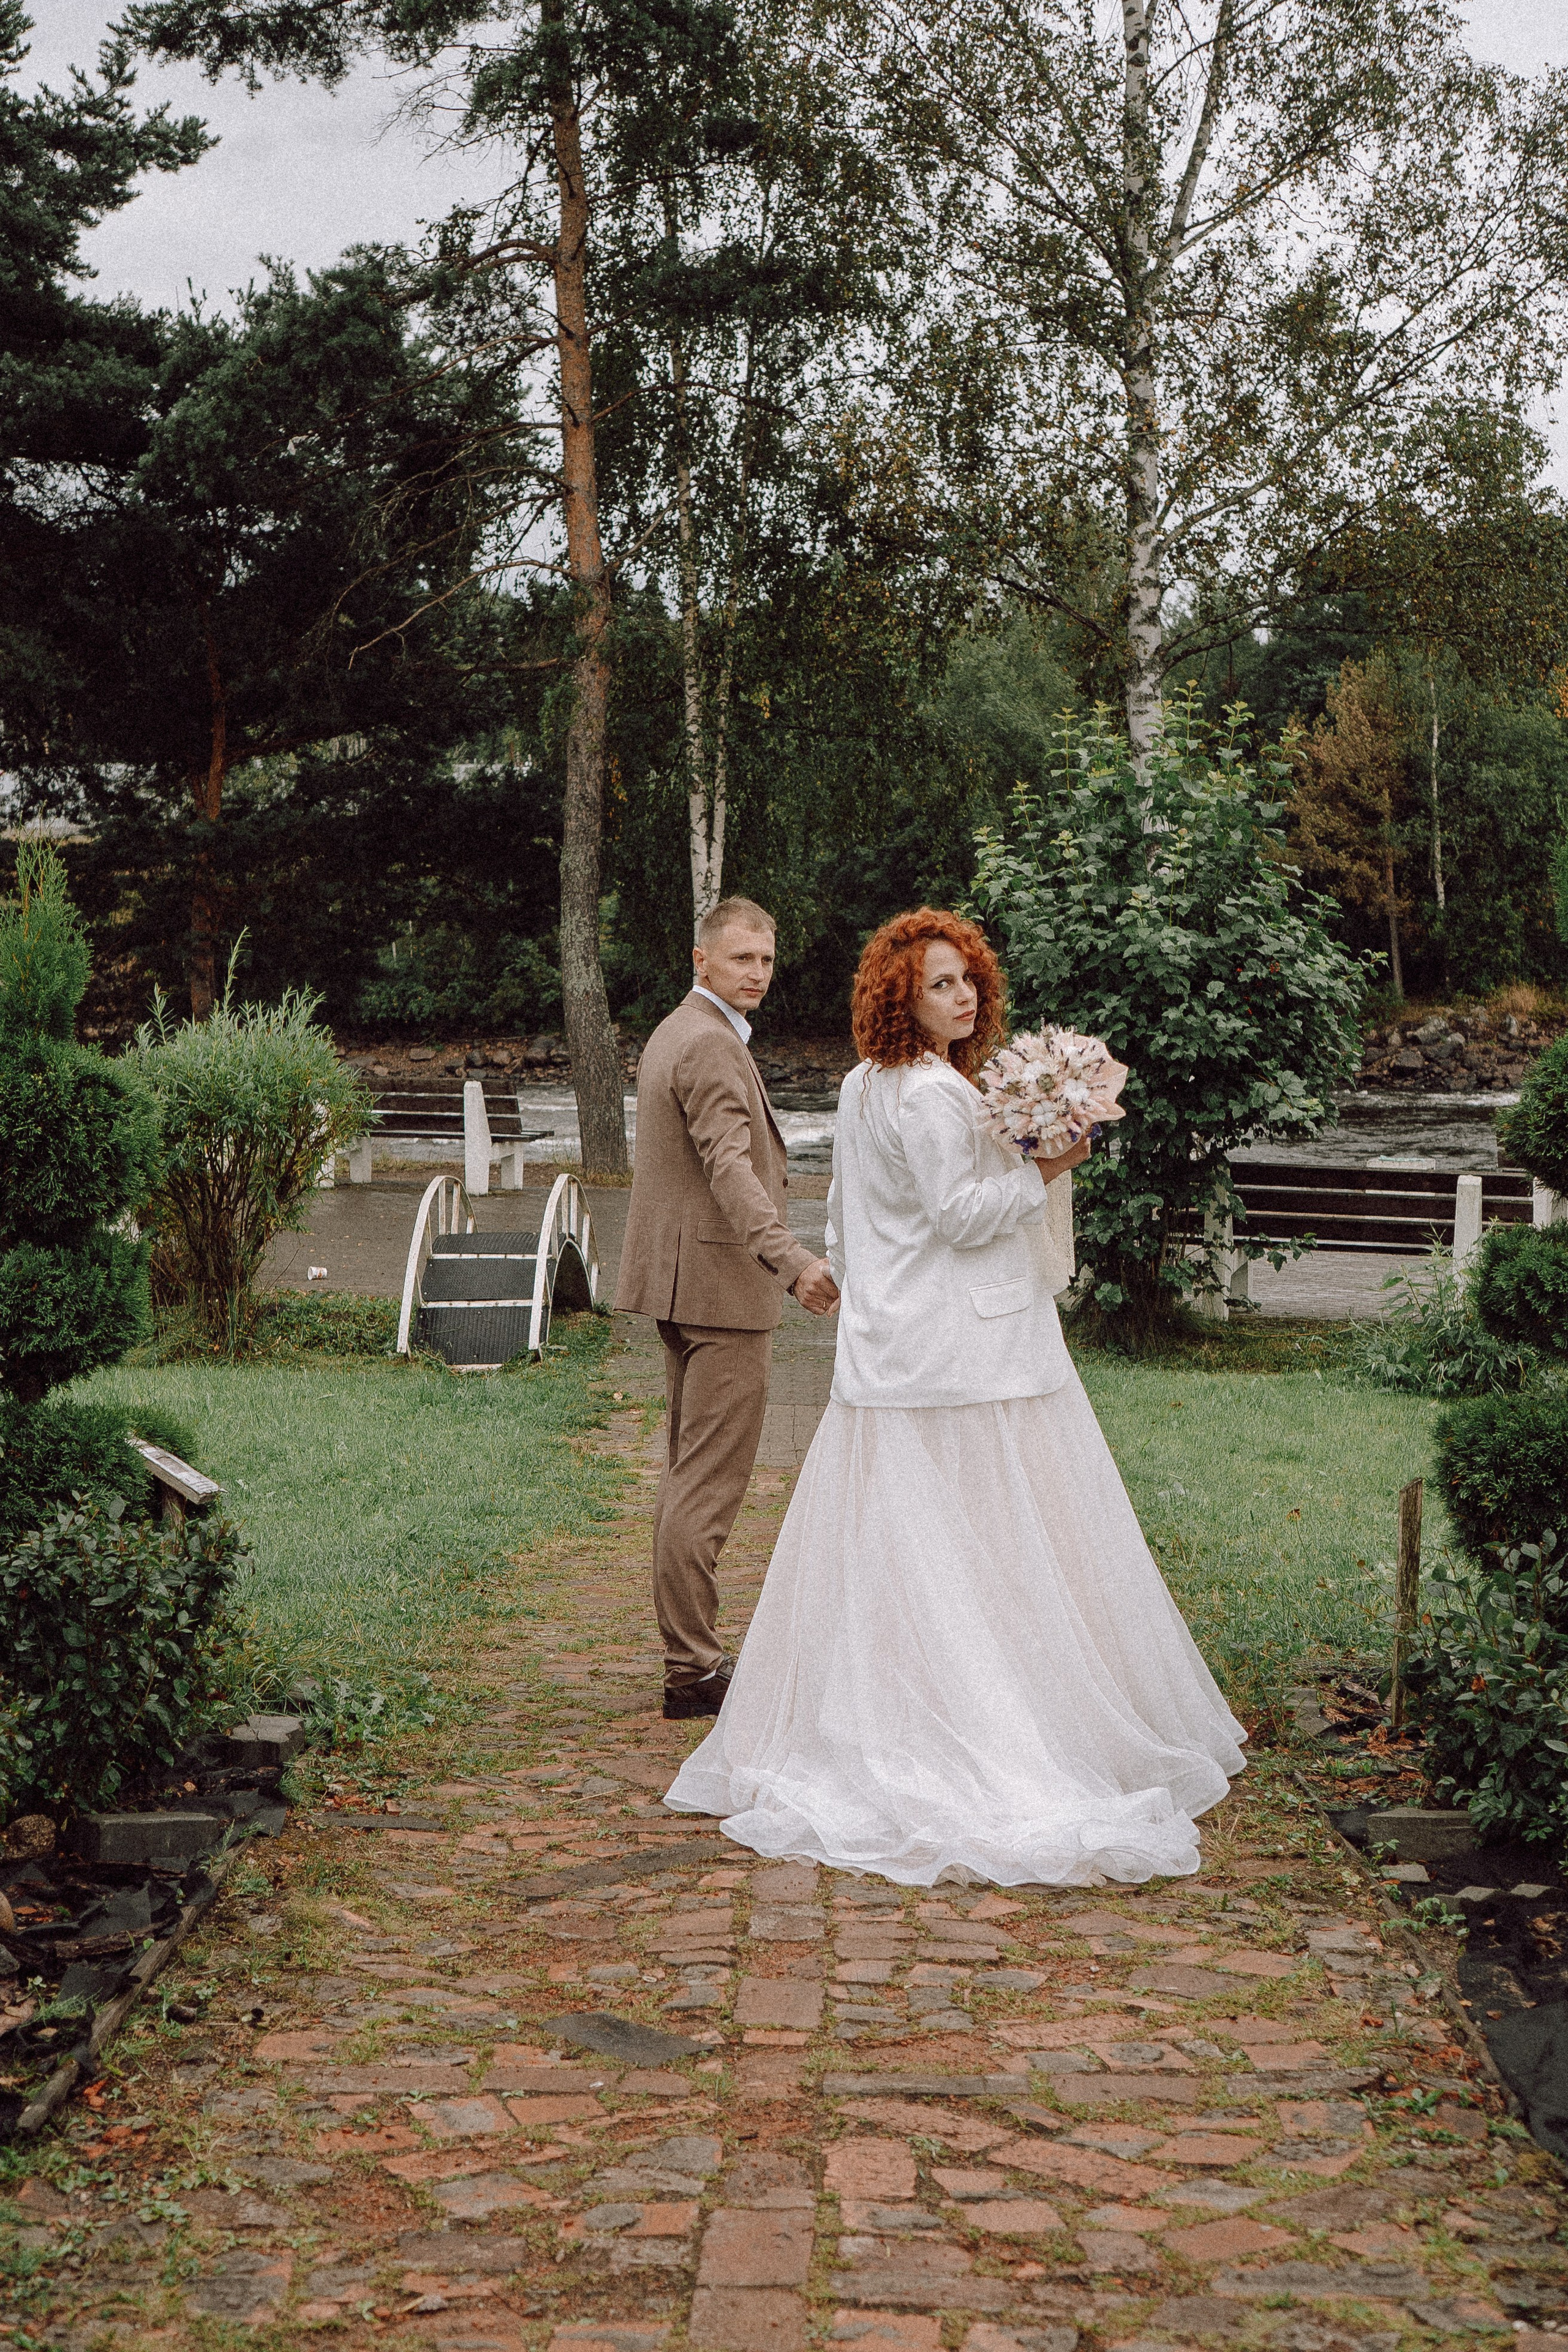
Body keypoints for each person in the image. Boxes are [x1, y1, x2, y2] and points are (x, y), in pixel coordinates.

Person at [666, 907, 1245, 1883]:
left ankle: (904, 1698)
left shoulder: (863, 1084)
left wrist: (865, 1295)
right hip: (972, 1349)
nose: (964, 996)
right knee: (996, 1530)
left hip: (896, 1343)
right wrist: (1051, 1163)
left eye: (969, 978)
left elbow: (845, 1214)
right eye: (940, 984)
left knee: (909, 1539)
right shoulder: (932, 1093)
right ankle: (992, 1711)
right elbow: (963, 1216)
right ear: (901, 997)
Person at [617, 895, 840, 1721]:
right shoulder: (709, 1042)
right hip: (721, 1293)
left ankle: (691, 1657)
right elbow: (729, 1169)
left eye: (767, 960)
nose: (758, 973)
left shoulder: (679, 1030)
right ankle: (694, 1670)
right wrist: (792, 1261)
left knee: (689, 1475)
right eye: (742, 958)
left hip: (688, 1285)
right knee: (707, 1484)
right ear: (701, 959)